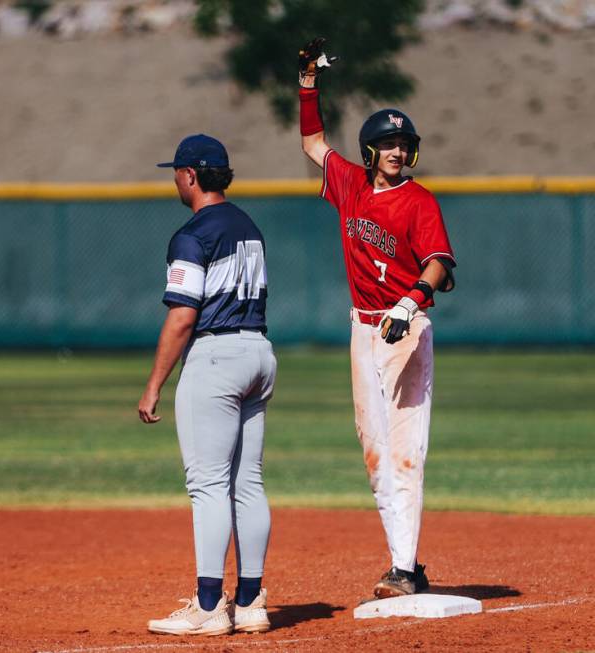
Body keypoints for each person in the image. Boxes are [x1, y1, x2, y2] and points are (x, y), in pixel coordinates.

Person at [297, 38, 456, 599]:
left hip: (404, 327)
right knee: (372, 448)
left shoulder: (421, 201)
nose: (395, 151)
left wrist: (409, 304)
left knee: (406, 448)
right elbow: (313, 142)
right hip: (362, 327)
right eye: (387, 144)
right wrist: (309, 85)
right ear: (369, 152)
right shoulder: (350, 185)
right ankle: (404, 559)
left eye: (402, 144)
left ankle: (405, 568)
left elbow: (438, 262)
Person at [138, 134, 277, 635]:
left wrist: (154, 383)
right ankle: (251, 602)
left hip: (216, 356)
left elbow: (182, 317)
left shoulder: (192, 233)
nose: (174, 179)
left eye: (175, 171)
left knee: (208, 484)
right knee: (248, 482)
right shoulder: (249, 226)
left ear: (190, 175)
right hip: (259, 351)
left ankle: (208, 605)